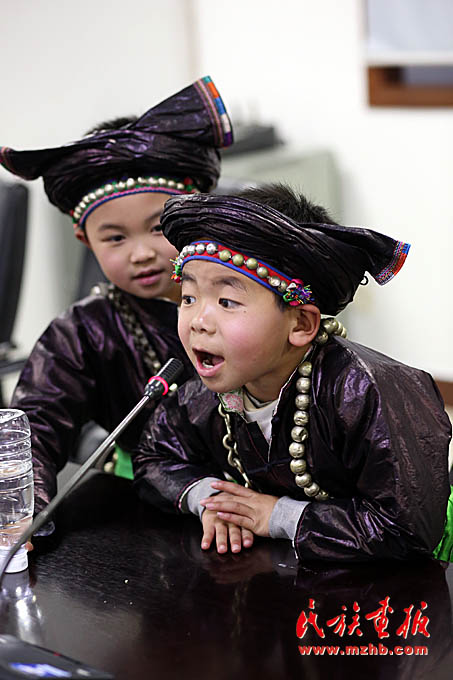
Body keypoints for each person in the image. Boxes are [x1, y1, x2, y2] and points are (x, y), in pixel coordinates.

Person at [132, 184, 452, 562]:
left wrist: (277, 516)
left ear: (300, 324)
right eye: (188, 298)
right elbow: (154, 457)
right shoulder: (207, 392)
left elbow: (407, 527)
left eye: (227, 301)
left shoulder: (369, 393)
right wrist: (214, 502)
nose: (198, 321)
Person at [0, 76, 233, 516]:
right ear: (86, 241)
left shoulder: (252, 301)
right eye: (115, 238)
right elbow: (37, 427)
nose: (141, 253)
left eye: (158, 228)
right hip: (148, 504)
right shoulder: (82, 332)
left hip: (263, 498)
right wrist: (17, 513)